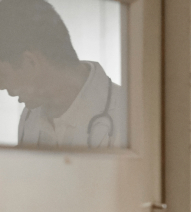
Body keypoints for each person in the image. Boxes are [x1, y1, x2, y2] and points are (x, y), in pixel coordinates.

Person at [0, 0, 128, 149]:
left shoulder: (129, 118)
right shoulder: (30, 116)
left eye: (2, 75)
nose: (1, 88)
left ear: (31, 62)